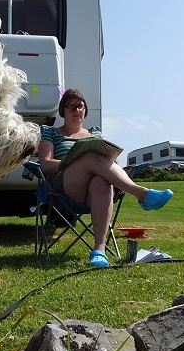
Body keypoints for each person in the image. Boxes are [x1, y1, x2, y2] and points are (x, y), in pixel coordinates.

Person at [38, 89, 173, 268]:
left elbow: (109, 163)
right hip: (66, 186)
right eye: (71, 106)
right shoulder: (51, 132)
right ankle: (141, 193)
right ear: (63, 110)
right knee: (90, 157)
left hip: (94, 191)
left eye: (80, 106)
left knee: (102, 182)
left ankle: (99, 251)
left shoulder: (95, 133)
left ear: (85, 110)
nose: (76, 110)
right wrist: (75, 161)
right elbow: (46, 164)